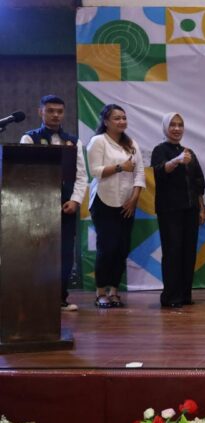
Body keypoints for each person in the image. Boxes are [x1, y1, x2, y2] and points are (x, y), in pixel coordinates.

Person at [20, 94, 87, 311]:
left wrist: (75, 201)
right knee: (38, 253)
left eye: (59, 111)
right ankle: (37, 299)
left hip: (66, 206)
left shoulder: (74, 141)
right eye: (50, 111)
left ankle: (60, 298)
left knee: (65, 253)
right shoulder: (29, 139)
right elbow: (25, 175)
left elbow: (81, 176)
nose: (55, 115)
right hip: (38, 206)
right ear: (40, 112)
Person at [86, 104, 145, 308]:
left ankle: (114, 291)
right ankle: (100, 292)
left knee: (121, 248)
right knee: (107, 248)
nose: (122, 121)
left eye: (124, 118)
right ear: (106, 122)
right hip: (104, 201)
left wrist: (134, 199)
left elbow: (139, 173)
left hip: (127, 203)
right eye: (117, 118)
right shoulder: (98, 141)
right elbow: (95, 171)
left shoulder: (131, 143)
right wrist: (121, 167)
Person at [151, 113, 205, 308]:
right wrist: (176, 161)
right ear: (165, 128)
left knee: (189, 252)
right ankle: (171, 296)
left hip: (190, 209)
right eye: (172, 125)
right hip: (169, 210)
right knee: (172, 251)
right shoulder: (160, 150)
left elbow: (198, 183)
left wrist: (202, 208)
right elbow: (159, 171)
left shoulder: (188, 152)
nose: (176, 128)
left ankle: (185, 295)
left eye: (180, 125)